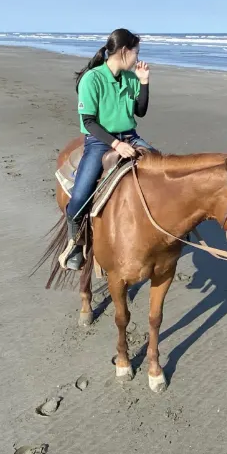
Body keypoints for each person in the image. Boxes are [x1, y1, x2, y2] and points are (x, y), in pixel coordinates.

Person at [60, 28, 155, 271]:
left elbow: (140, 112)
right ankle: (75, 242)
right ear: (124, 51)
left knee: (161, 166)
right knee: (80, 197)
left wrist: (144, 83)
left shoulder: (131, 77)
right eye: (136, 52)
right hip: (100, 140)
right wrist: (116, 144)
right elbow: (89, 121)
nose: (138, 57)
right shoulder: (92, 79)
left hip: (131, 136)